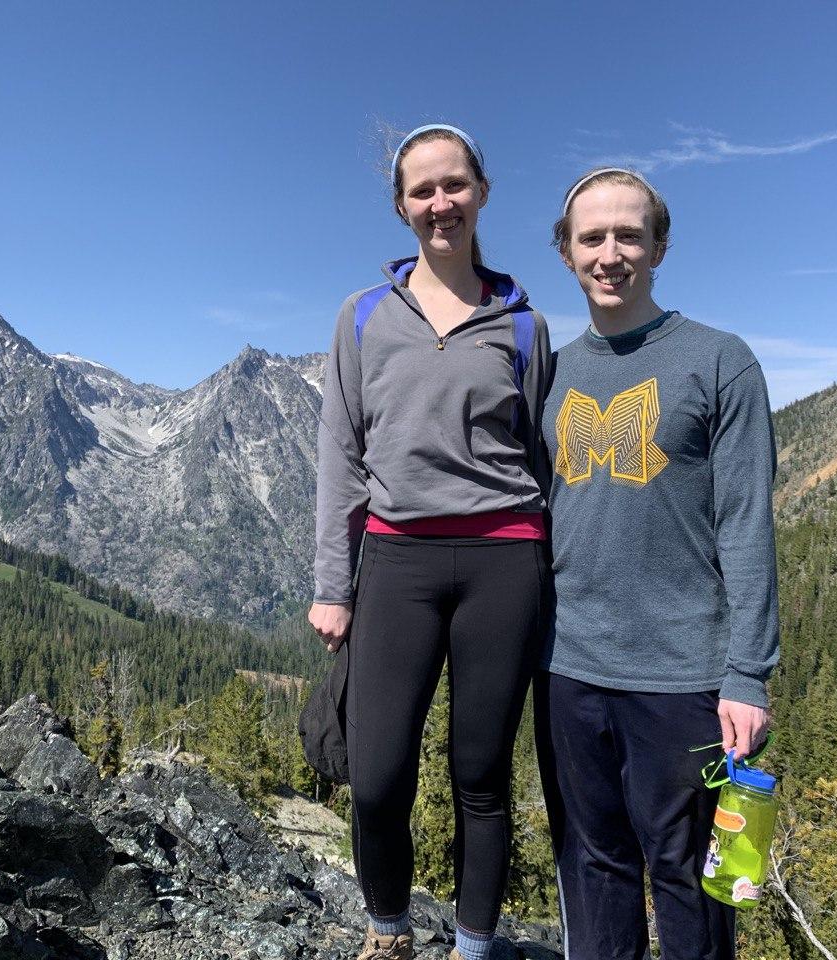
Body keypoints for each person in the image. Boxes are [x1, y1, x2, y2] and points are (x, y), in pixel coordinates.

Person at [309, 124, 553, 960]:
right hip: (398, 561)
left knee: (480, 779)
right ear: (401, 206)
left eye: (455, 185)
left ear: (482, 191)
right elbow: (341, 456)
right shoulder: (365, 315)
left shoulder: (523, 326)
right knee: (377, 778)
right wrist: (332, 584)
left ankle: (474, 947)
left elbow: (541, 459)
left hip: (505, 561)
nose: (440, 203)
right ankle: (388, 932)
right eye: (423, 190)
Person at [534, 168, 779, 960]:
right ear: (567, 252)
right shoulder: (548, 372)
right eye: (592, 237)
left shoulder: (719, 361)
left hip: (685, 678)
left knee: (693, 883)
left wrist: (748, 674)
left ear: (660, 246)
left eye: (629, 235)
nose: (611, 254)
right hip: (568, 669)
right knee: (592, 866)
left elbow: (746, 524)